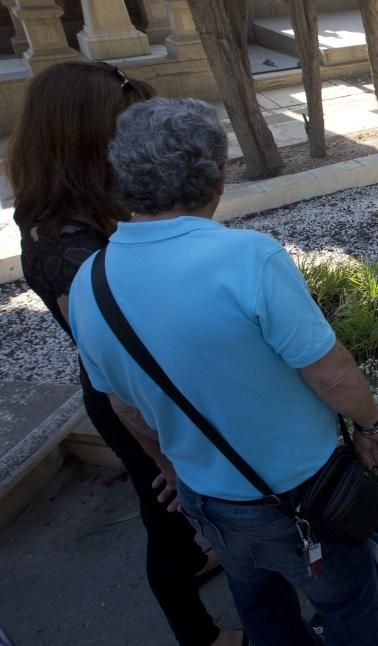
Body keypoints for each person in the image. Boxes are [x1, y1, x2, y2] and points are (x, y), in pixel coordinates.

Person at [68, 97, 378, 646]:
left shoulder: (90, 281)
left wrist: (168, 467)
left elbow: (121, 404)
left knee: (261, 610)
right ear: (217, 175)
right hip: (301, 498)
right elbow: (332, 375)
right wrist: (371, 426)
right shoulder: (249, 259)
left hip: (207, 499)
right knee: (347, 609)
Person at [7, 62, 240, 646]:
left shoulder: (77, 210)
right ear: (85, 141)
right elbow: (114, 365)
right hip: (130, 398)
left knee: (176, 511)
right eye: (122, 133)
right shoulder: (65, 250)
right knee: (164, 508)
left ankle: (193, 560)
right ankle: (199, 635)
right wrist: (160, 454)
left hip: (146, 382)